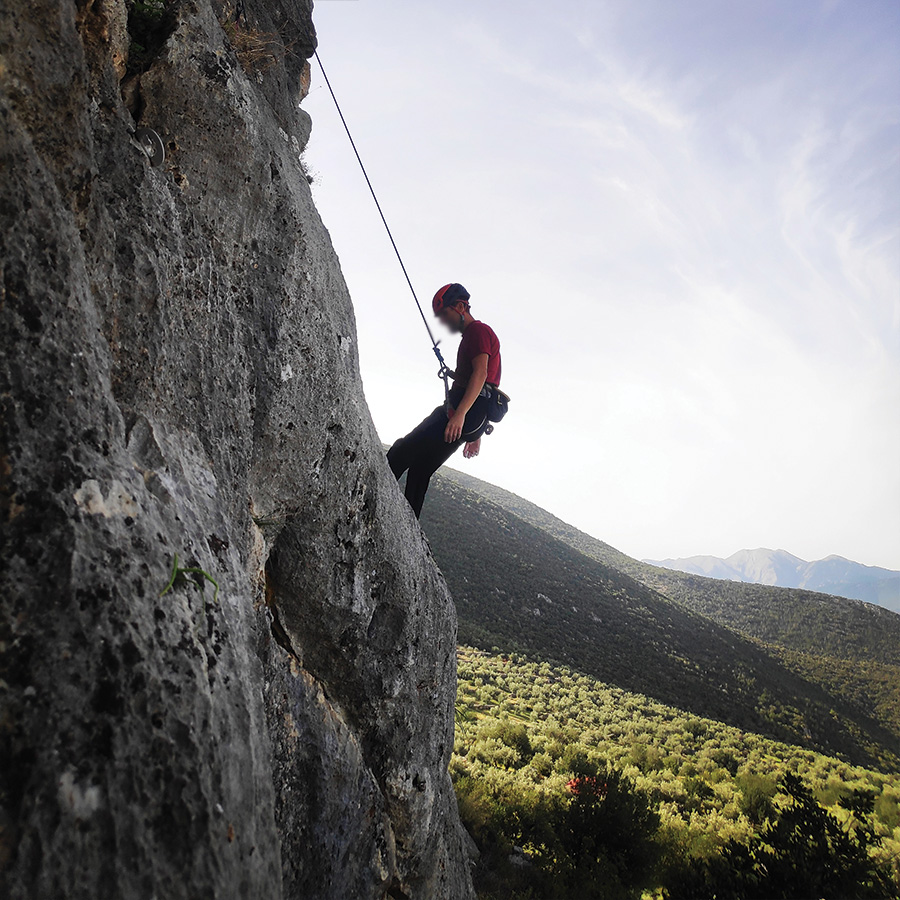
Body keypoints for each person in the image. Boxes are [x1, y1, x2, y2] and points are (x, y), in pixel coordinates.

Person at [387, 283, 502, 518]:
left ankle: (366, 502)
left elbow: (480, 375)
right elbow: (485, 381)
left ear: (460, 307)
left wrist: (459, 415)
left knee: (401, 451)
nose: (442, 322)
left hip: (461, 410)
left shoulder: (478, 332)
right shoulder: (474, 336)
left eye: (445, 314)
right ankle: (406, 529)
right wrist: (475, 431)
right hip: (472, 414)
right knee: (421, 469)